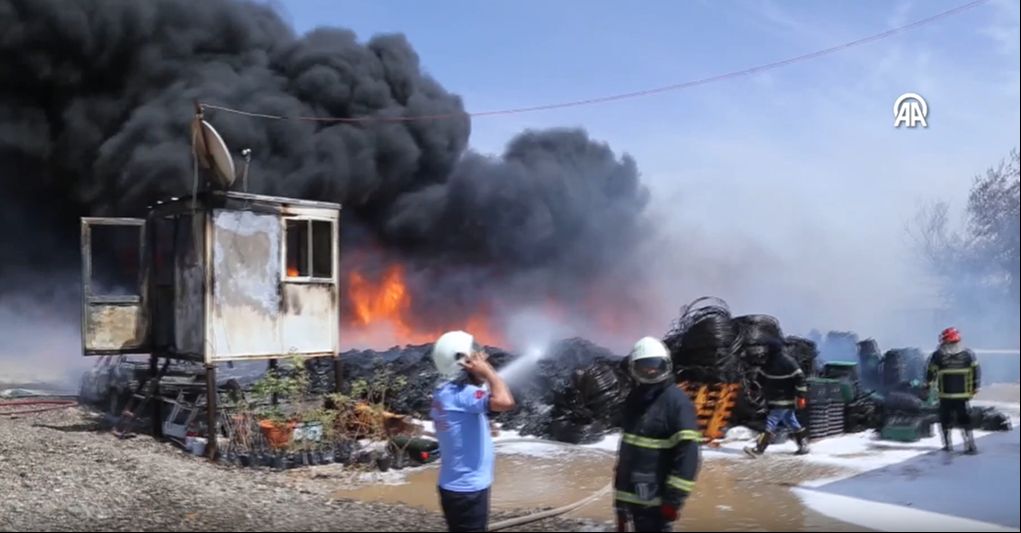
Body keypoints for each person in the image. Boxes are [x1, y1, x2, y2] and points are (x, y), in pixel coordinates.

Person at [429, 331, 516, 532]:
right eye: (475, 357)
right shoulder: (463, 396)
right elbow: (505, 402)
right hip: (468, 491)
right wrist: (488, 373)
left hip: (457, 487)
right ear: (463, 362)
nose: (482, 359)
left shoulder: (445, 392)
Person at [614, 337, 701, 532]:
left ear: (666, 365)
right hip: (632, 501)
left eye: (655, 366)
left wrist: (673, 502)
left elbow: (689, 457)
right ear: (634, 368)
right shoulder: (634, 400)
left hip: (658, 506)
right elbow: (627, 455)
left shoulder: (677, 403)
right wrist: (620, 505)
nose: (651, 371)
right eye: (645, 367)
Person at [745, 338, 809, 457]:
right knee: (791, 421)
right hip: (782, 399)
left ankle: (759, 449)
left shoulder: (783, 362)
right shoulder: (776, 361)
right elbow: (761, 378)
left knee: (770, 423)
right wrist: (800, 396)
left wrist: (801, 396)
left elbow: (800, 379)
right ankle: (803, 445)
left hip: (781, 399)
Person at [926, 327, 981, 454]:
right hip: (955, 395)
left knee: (949, 419)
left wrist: (928, 384)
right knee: (961, 419)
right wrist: (975, 387)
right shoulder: (968, 354)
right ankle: (967, 445)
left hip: (950, 395)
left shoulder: (938, 355)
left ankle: (954, 445)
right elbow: (976, 372)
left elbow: (930, 372)